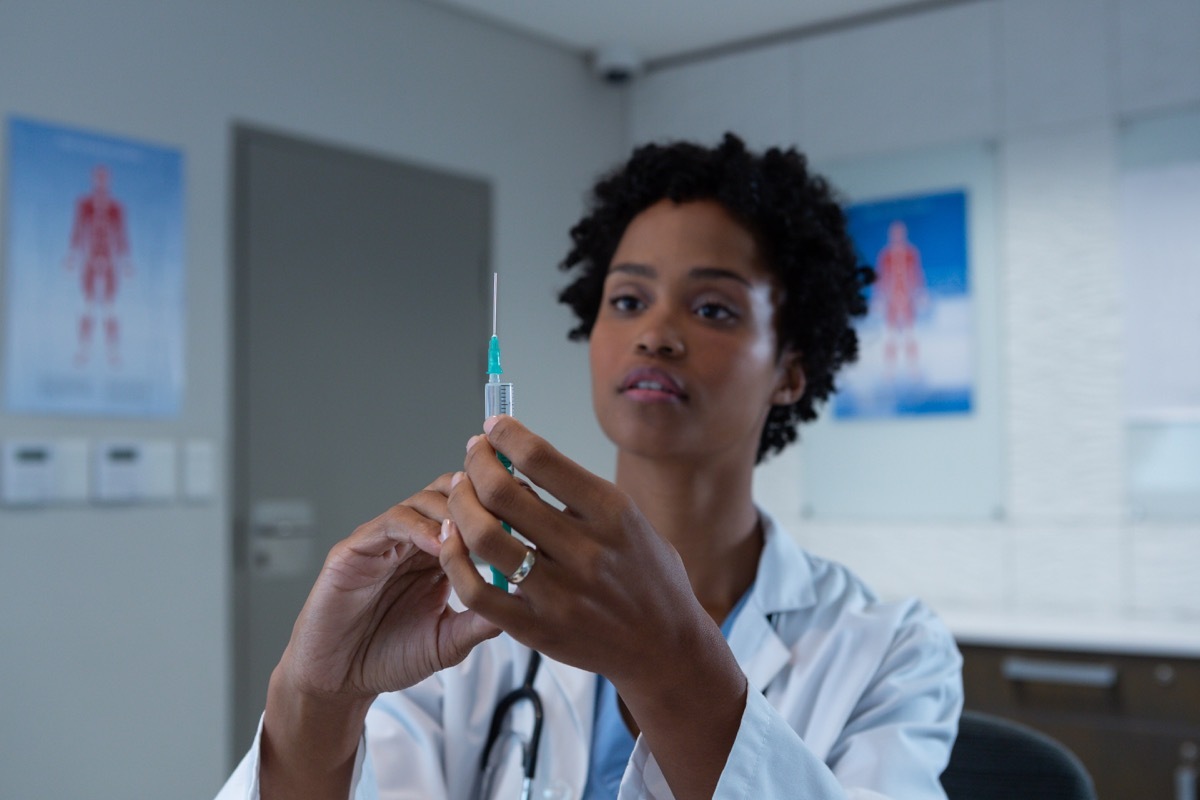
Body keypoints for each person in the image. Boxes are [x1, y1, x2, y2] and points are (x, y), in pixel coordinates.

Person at [216, 133, 962, 800]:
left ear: (792, 371)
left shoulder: (887, 648)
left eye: (713, 310)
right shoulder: (466, 616)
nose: (656, 334)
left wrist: (677, 669)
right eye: (628, 298)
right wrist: (313, 702)